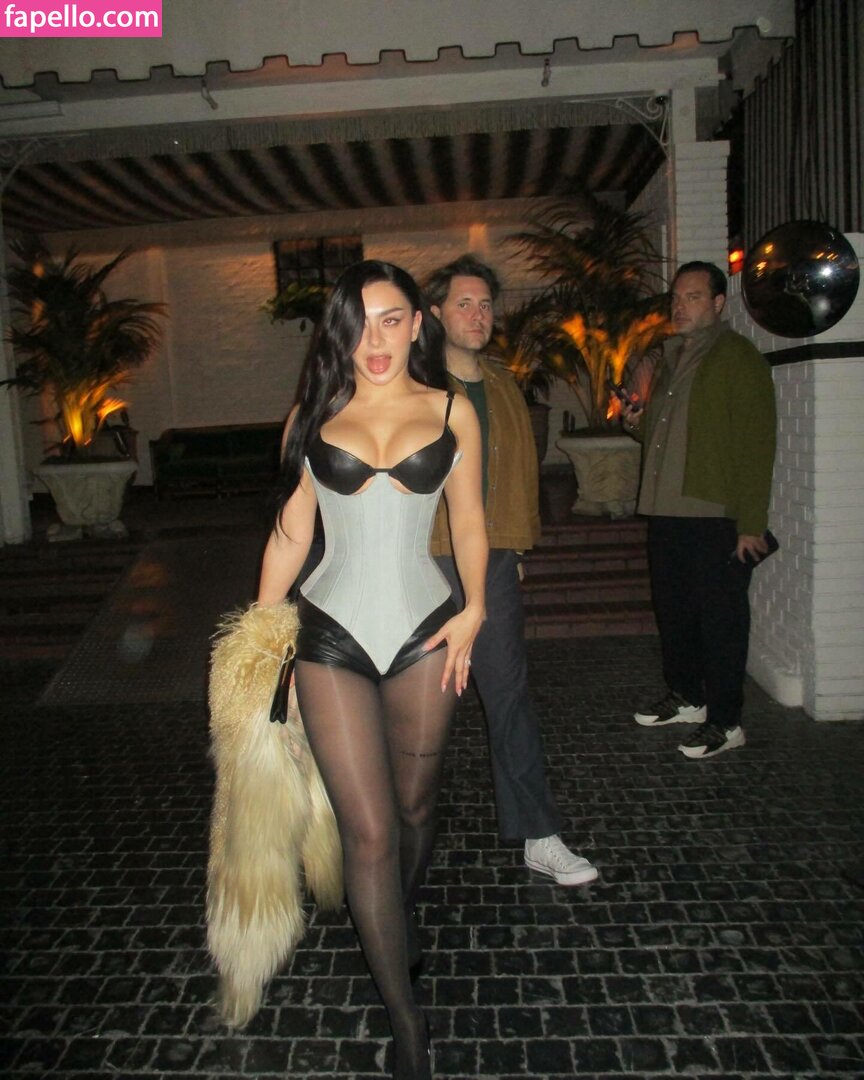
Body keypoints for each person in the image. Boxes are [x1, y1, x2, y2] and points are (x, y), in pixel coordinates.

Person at [257, 260, 487, 1080]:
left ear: (419, 323)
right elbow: (292, 533)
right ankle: (407, 1025)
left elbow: (469, 519)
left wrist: (475, 608)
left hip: (426, 630)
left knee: (417, 808)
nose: (376, 341)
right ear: (339, 335)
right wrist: (265, 639)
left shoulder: (452, 410)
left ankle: (395, 910)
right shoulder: (312, 417)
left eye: (391, 320)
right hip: (331, 636)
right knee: (371, 831)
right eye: (358, 325)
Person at [423, 254, 598, 886]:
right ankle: (385, 832)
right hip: (420, 557)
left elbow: (522, 470)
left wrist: (514, 551)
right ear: (436, 313)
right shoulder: (414, 384)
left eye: (485, 304)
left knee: (509, 694)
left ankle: (538, 833)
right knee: (411, 701)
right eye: (463, 303)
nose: (478, 315)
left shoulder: (501, 383)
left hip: (490, 557)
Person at [623, 260, 777, 759]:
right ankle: (688, 697)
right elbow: (663, 435)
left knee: (720, 622)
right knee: (674, 614)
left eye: (692, 297)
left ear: (717, 303)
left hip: (714, 515)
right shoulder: (672, 359)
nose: (679, 306)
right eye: (675, 298)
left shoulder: (737, 358)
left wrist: (751, 525)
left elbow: (756, 446)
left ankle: (727, 721)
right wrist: (636, 420)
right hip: (665, 510)